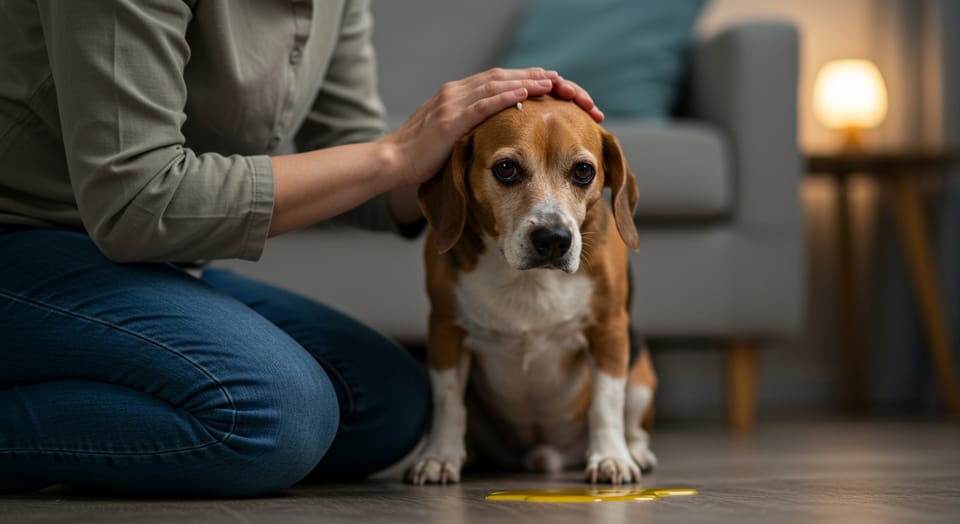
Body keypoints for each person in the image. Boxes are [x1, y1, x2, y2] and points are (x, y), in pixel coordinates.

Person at [0, 0, 602, 496]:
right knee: (274, 416)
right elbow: (138, 204)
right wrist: (395, 154)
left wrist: (455, 161)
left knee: (389, 405)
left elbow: (354, 163)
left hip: (148, 265)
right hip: (26, 241)